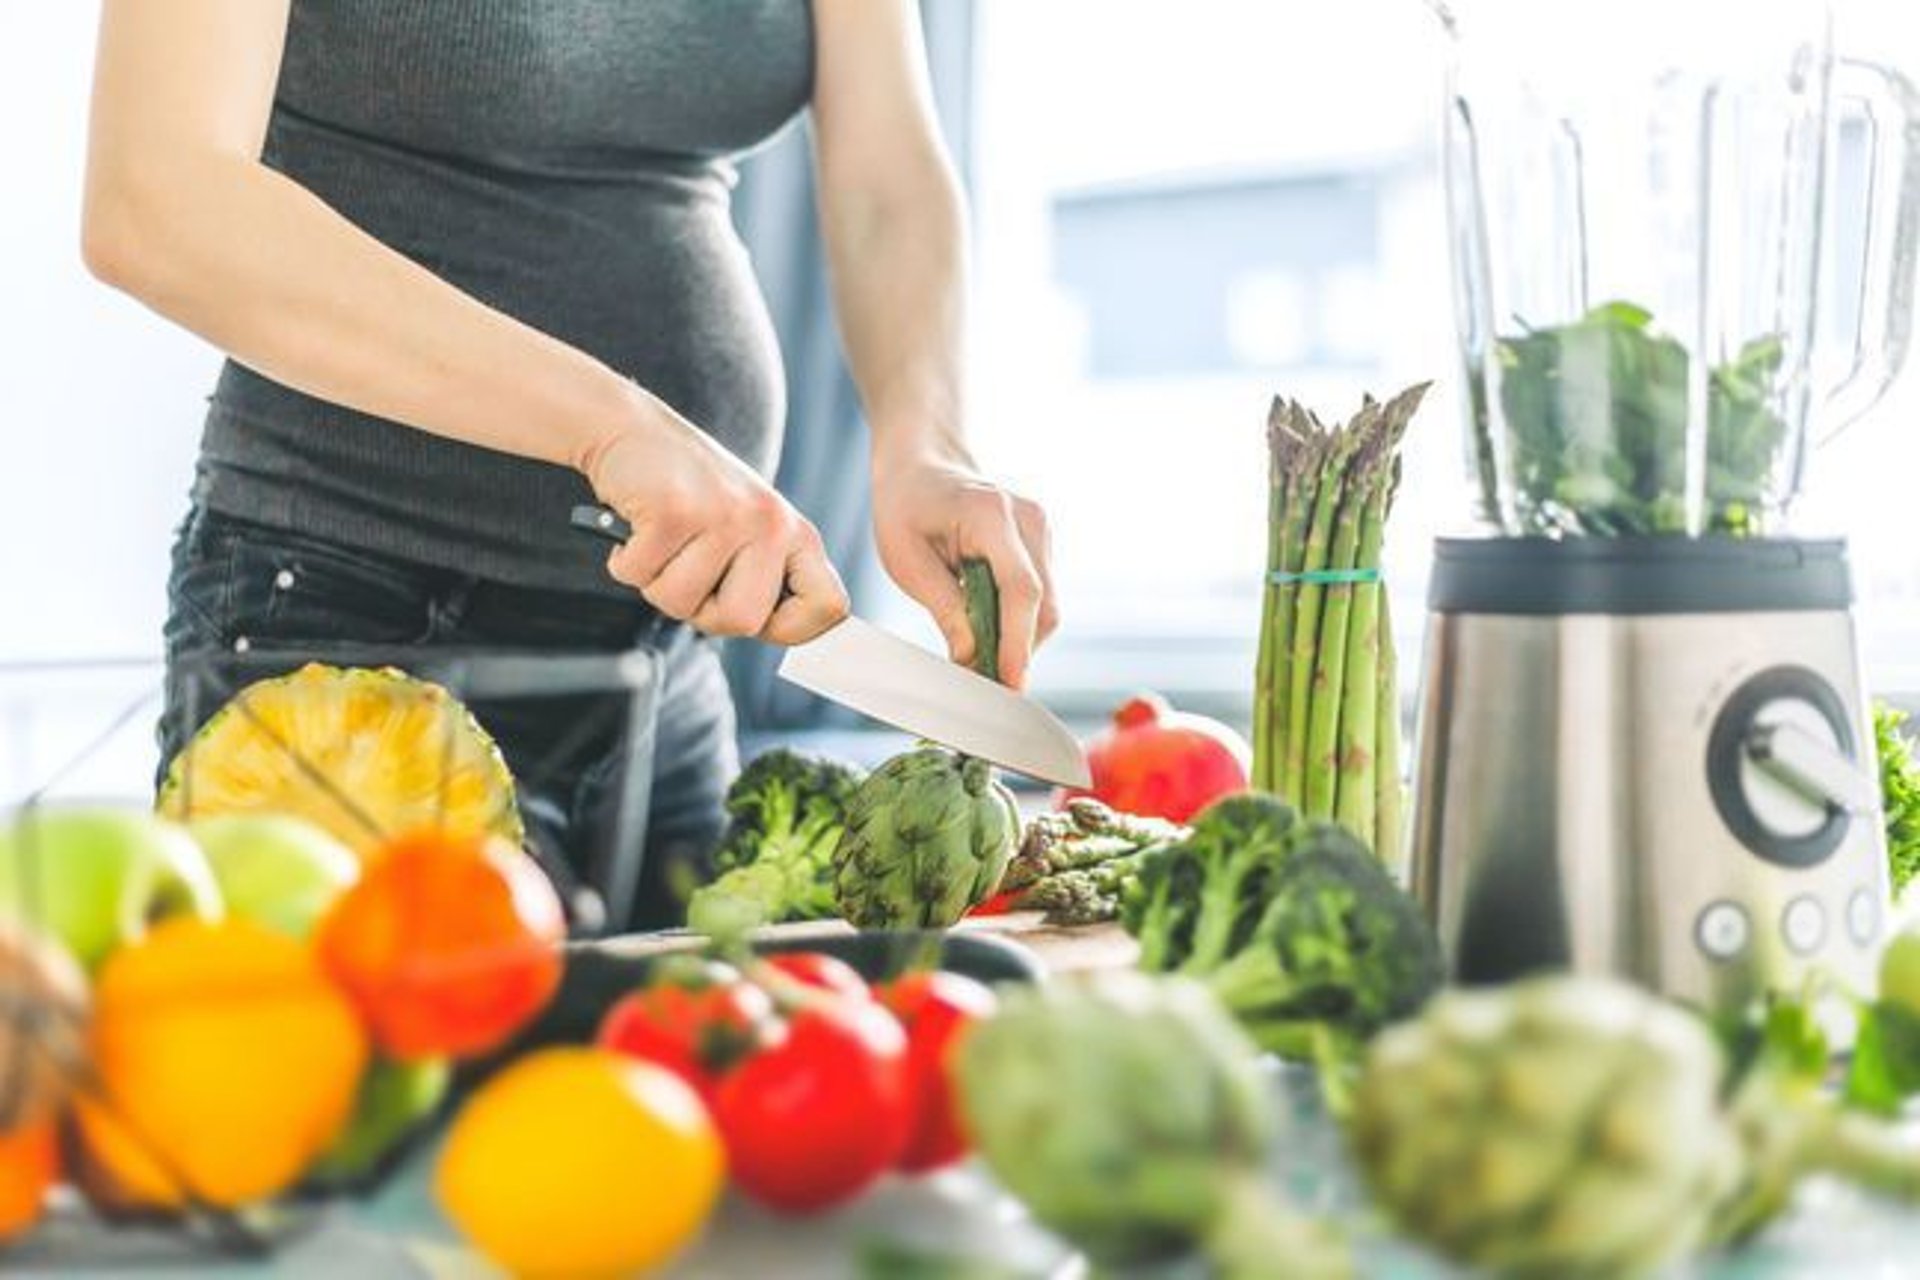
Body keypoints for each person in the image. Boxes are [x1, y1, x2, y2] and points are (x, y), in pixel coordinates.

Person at [82, 0, 1057, 929]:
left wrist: (926, 441)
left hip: (666, 663)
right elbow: (158, 197)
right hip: (356, 633)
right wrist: (609, 426)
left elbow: (885, 176)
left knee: (650, 1091)